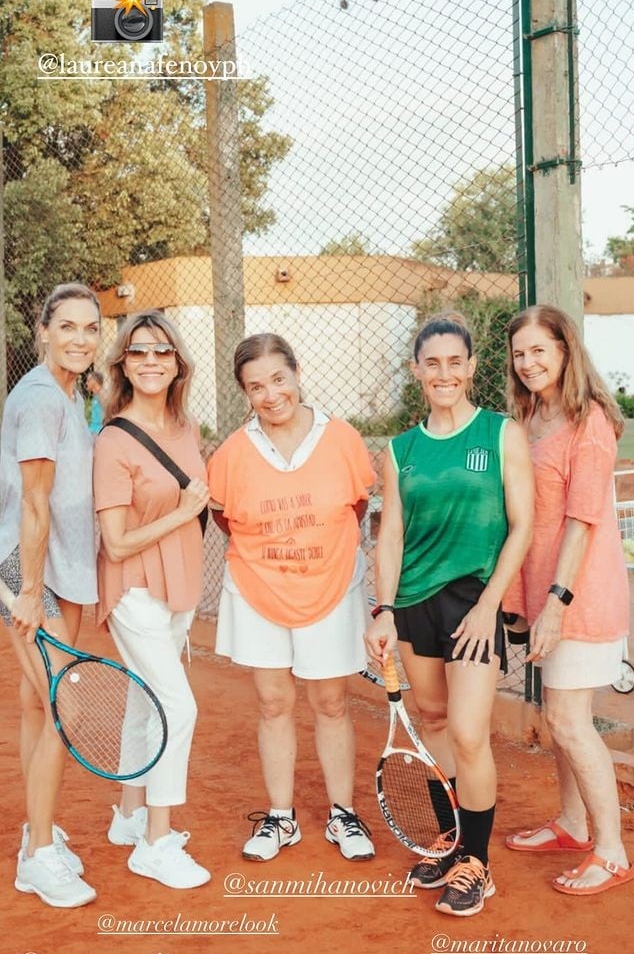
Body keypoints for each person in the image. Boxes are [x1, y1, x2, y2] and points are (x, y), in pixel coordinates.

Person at [364, 312, 534, 917]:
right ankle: (450, 838)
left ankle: (476, 863)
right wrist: (383, 609)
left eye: (454, 362)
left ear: (470, 367)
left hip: (473, 603)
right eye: (431, 363)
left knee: (467, 732)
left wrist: (491, 605)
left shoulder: (499, 432)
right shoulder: (400, 449)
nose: (443, 373)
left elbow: (523, 526)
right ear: (417, 371)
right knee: (433, 720)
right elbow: (390, 538)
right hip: (413, 603)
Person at [207, 333, 376, 862]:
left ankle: (342, 814)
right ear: (245, 393)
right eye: (255, 386)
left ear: (297, 373)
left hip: (330, 586)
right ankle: (281, 818)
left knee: (330, 702)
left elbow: (358, 506)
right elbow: (223, 516)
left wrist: (317, 556)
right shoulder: (233, 452)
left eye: (278, 379)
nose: (270, 394)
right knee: (274, 702)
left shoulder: (342, 439)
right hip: (259, 589)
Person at [503, 304, 634, 896]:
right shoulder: (529, 416)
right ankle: (573, 824)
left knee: (567, 720)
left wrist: (555, 603)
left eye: (540, 350)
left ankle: (609, 853)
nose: (529, 362)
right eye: (519, 352)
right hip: (540, 594)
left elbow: (582, 521)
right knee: (561, 722)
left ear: (565, 349)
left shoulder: (590, 422)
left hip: (578, 595)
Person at [93, 311, 211, 889]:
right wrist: (184, 514)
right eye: (138, 352)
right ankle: (156, 843)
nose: (151, 361)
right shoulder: (114, 439)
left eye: (162, 352)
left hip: (178, 585)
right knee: (177, 706)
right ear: (122, 363)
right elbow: (115, 544)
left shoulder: (187, 428)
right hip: (135, 588)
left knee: (144, 704)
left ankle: (129, 815)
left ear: (177, 363)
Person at [0, 282, 102, 908]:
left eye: (90, 328)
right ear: (42, 331)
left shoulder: (69, 394)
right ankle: (38, 855)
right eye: (66, 327)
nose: (80, 339)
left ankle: (37, 831)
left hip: (55, 571)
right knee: (63, 707)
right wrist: (29, 594)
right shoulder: (39, 398)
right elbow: (33, 504)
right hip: (26, 569)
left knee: (37, 705)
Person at [85, 370, 105, 434]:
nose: (86, 383)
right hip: (93, 429)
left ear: (94, 381)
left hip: (99, 430)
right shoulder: (96, 395)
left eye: (88, 380)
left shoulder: (102, 394)